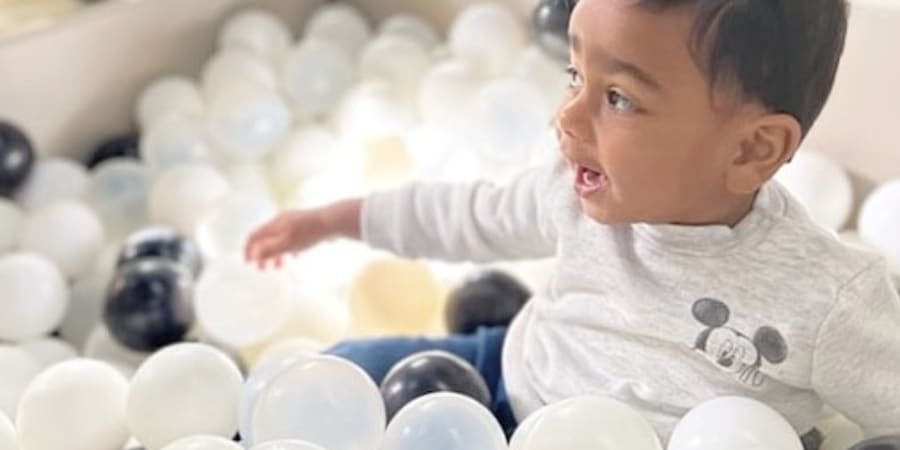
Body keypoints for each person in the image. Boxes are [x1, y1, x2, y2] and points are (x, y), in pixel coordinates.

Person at [246, 0, 900, 447]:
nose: (567, 118)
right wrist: (333, 220)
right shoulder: (574, 187)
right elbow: (465, 215)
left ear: (751, 149)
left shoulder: (830, 299)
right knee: (338, 372)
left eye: (618, 98)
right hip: (501, 382)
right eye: (574, 74)